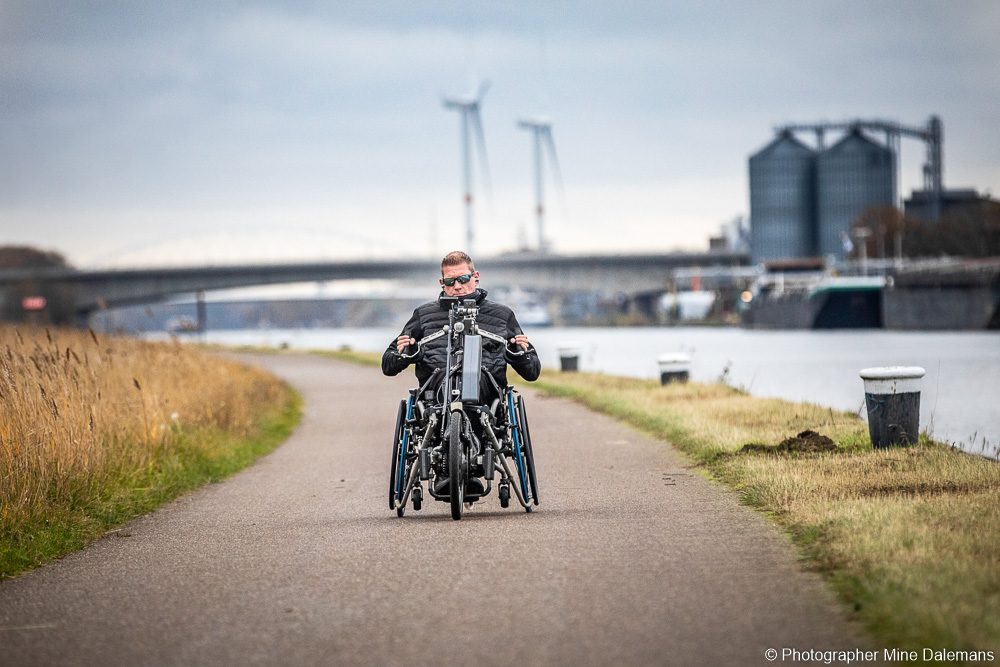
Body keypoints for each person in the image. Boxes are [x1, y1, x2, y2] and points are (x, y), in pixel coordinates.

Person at [381, 251, 541, 390]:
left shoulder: (502, 314)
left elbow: (532, 372)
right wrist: (407, 353)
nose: (457, 286)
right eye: (450, 281)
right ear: (442, 283)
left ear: (475, 277)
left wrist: (518, 353)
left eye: (463, 279)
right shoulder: (423, 314)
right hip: (435, 396)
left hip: (488, 395)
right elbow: (388, 366)